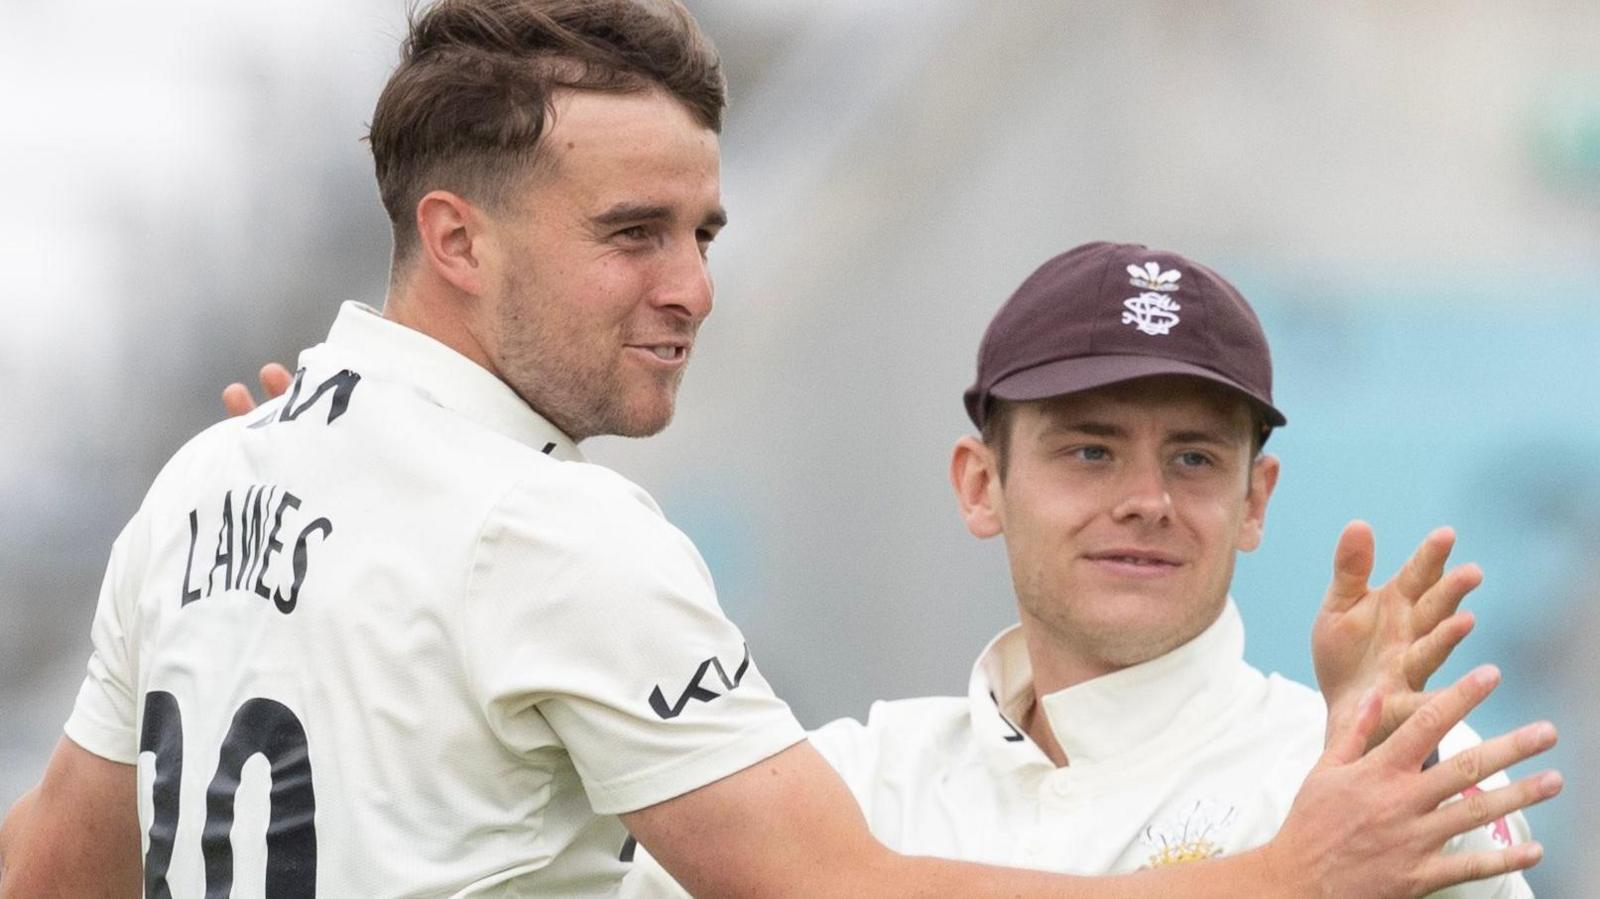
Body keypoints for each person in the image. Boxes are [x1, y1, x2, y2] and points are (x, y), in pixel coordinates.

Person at [0, 3, 1559, 897]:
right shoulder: (580, 556)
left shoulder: (215, 480)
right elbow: (832, 890)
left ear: (1262, 497)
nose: (690, 284)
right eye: (632, 232)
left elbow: (52, 865)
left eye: (1197, 453)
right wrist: (1281, 877)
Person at [623, 242, 1554, 897]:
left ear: (1255, 500)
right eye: (1091, 452)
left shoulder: (1341, 767)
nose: (1147, 498)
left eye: (1192, 457)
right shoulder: (849, 784)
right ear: (981, 483)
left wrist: (1405, 762)